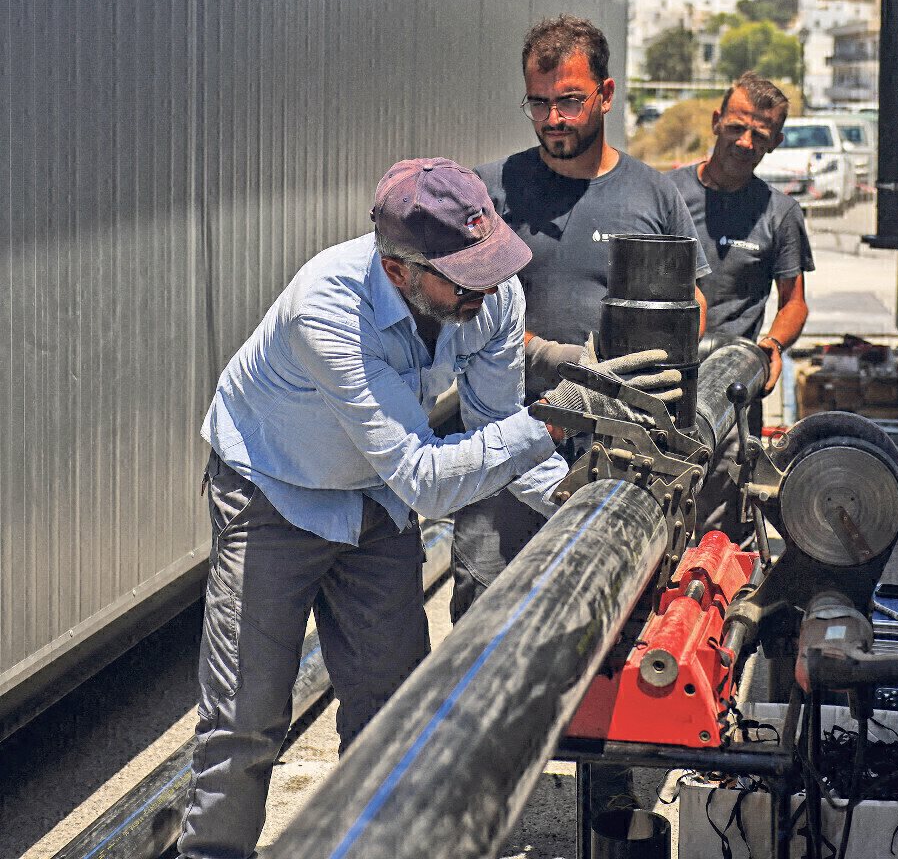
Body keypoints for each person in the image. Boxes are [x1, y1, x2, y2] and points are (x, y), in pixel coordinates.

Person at [177, 157, 670, 859]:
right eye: (468, 271)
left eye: (493, 261)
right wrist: (558, 418)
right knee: (246, 720)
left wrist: (582, 504)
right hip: (276, 493)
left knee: (394, 712)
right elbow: (428, 480)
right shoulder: (329, 306)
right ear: (400, 268)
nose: (490, 283)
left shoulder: (491, 297)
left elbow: (496, 434)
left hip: (374, 502)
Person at [450, 14, 711, 621]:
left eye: (569, 100)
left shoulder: (653, 195)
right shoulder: (492, 190)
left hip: (621, 444)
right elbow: (460, 313)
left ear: (607, 94)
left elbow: (690, 309)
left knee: (609, 610)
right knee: (487, 607)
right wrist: (547, 357)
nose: (553, 120)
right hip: (507, 434)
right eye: (538, 103)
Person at [667, 72, 815, 541]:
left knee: (721, 527)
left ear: (775, 143)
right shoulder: (664, 194)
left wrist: (772, 345)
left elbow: (794, 303)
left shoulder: (780, 214)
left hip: (734, 393)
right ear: (716, 122)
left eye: (760, 135)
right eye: (736, 126)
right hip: (662, 382)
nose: (745, 141)